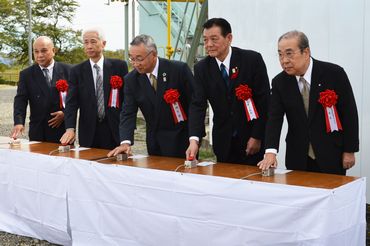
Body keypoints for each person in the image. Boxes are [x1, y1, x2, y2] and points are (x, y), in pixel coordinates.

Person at [258, 30, 359, 175]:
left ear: (306, 52)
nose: (284, 60)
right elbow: (274, 118)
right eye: (280, 54)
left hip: (331, 153)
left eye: (289, 53)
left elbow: (349, 113)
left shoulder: (334, 74)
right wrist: (270, 151)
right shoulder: (280, 82)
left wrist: (349, 150)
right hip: (298, 156)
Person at [186, 18, 270, 164]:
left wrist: (257, 136)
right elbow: (198, 105)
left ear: (229, 38)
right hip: (223, 140)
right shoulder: (202, 68)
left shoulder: (251, 60)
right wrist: (194, 139)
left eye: (214, 39)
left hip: (251, 138)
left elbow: (264, 101)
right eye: (205, 40)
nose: (209, 45)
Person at [108, 34, 195, 158]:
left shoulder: (178, 70)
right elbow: (128, 112)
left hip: (183, 140)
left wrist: (194, 138)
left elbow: (195, 105)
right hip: (155, 143)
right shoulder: (131, 79)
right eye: (132, 59)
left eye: (139, 58)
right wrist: (125, 142)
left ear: (154, 54)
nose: (135, 64)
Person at [60, 28, 128, 149]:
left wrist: (127, 131)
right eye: (86, 43)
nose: (89, 46)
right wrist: (70, 128)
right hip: (89, 130)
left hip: (115, 129)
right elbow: (71, 103)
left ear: (103, 43)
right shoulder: (77, 71)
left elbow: (127, 99)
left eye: (93, 42)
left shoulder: (119, 66)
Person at [12, 36, 71, 143]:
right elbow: (20, 100)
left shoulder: (69, 71)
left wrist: (65, 113)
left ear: (53, 51)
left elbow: (77, 99)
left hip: (64, 131)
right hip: (38, 131)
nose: (39, 55)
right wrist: (19, 122)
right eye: (36, 51)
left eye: (44, 51)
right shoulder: (26, 74)